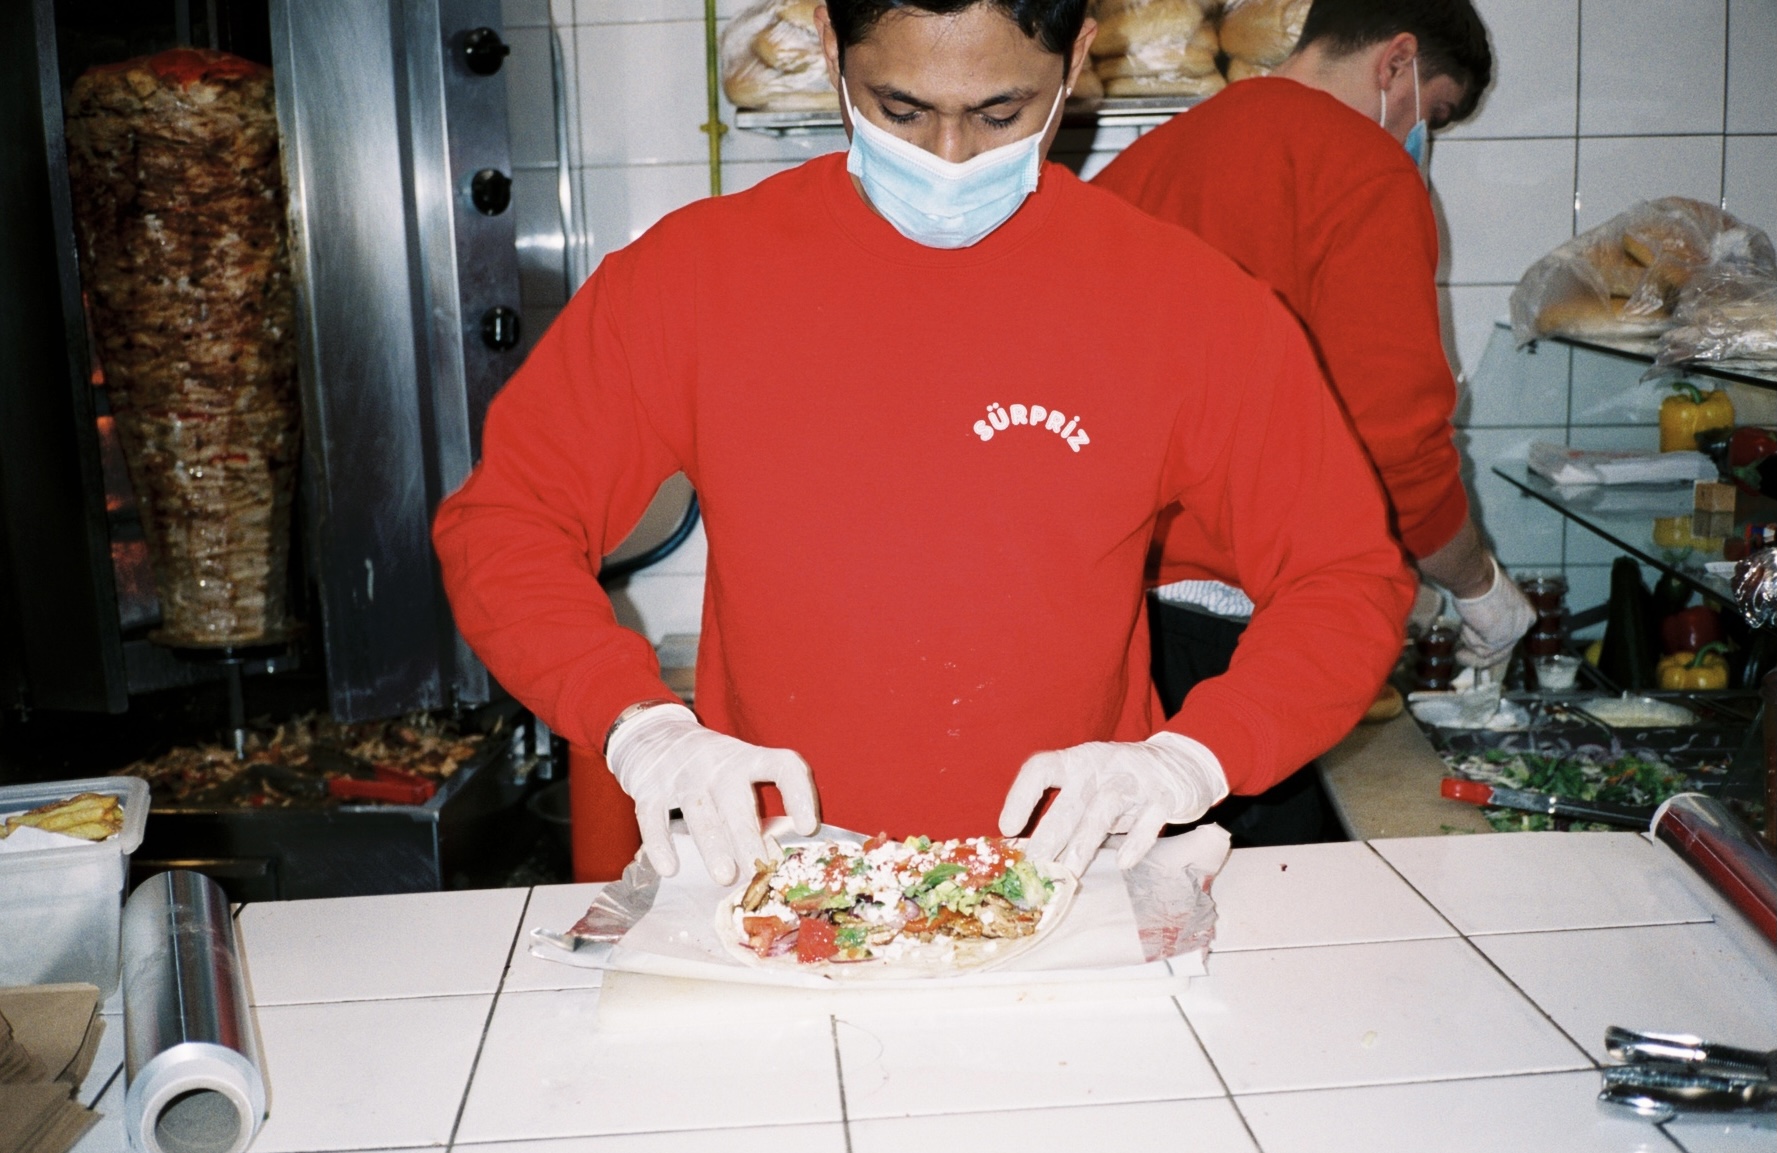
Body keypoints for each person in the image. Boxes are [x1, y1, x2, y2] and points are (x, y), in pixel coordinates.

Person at [432, 0, 1416, 886]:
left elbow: (1343, 577)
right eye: (900, 110)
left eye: (1000, 113)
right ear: (830, 43)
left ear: (1076, 58)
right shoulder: (688, 280)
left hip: (1067, 875)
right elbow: (507, 523)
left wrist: (1191, 759)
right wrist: (635, 722)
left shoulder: (1187, 304)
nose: (948, 157)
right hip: (780, 873)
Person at [1091, 0, 1533, 842]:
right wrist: (1478, 586)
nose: (1418, 138)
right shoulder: (1362, 169)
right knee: (1269, 897)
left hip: (1110, 624)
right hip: (1235, 638)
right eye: (1432, 113)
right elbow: (1394, 446)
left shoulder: (1148, 161)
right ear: (1395, 62)